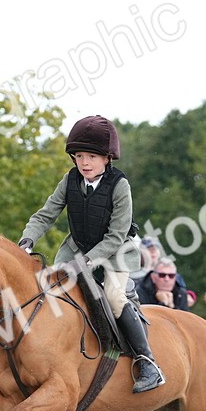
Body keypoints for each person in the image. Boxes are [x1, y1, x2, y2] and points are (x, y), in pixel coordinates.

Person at [18, 114, 164, 392]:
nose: (84, 163)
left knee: (114, 297)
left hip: (115, 252)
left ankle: (147, 362)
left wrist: (84, 262)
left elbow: (116, 236)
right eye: (79, 156)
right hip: (77, 247)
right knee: (48, 290)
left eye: (92, 157)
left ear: (107, 158)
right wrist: (26, 241)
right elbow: (45, 215)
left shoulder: (120, 185)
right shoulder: (70, 180)